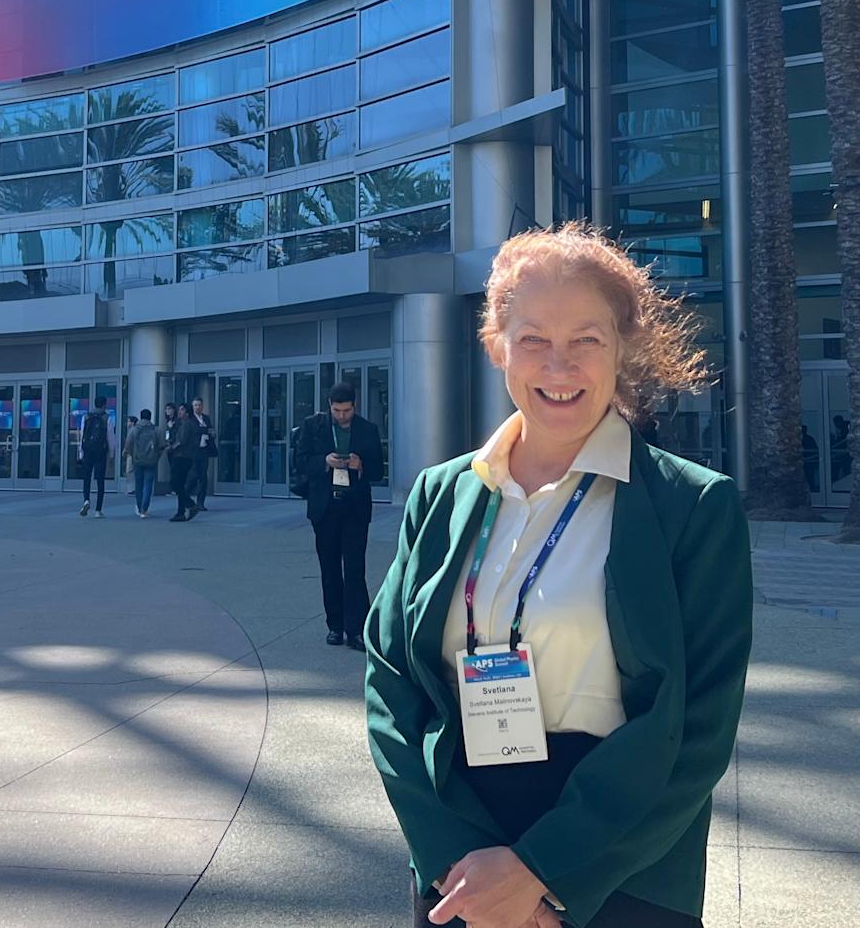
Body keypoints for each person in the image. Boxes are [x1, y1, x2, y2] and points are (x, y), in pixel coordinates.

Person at [365, 224, 749, 928]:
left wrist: (546, 873)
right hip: (464, 851)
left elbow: (700, 727)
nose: (560, 366)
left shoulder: (692, 506)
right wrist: (454, 854)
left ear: (622, 348)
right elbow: (391, 682)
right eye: (534, 339)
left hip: (619, 860)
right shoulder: (442, 494)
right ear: (496, 346)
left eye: (587, 340)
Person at [293, 381, 382, 648]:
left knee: (355, 570)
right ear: (329, 407)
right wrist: (325, 461)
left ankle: (356, 629)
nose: (342, 415)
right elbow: (300, 461)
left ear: (354, 406)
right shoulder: (313, 426)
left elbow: (378, 471)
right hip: (325, 507)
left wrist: (361, 464)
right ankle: (335, 625)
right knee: (329, 568)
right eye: (337, 410)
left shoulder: (367, 429)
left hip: (354, 508)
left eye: (346, 410)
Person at [125, 408, 163, 518]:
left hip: (138, 460)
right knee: (148, 485)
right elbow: (161, 446)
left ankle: (139, 506)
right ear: (150, 417)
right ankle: (144, 509)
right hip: (151, 461)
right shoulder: (156, 430)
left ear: (141, 417)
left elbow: (128, 445)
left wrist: (133, 455)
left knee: (139, 484)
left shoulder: (134, 429)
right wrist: (156, 457)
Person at [77, 403, 113, 518]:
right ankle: (98, 510)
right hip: (100, 452)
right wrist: (111, 453)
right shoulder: (107, 418)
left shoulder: (86, 417)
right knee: (100, 480)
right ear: (104, 405)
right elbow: (110, 437)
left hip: (88, 451)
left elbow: (82, 435)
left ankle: (86, 500)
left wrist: (81, 453)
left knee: (87, 478)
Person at [165, 403, 197, 522]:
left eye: (182, 410)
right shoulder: (182, 424)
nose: (179, 412)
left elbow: (182, 441)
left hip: (181, 457)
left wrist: (171, 448)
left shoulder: (187, 424)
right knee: (180, 485)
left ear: (187, 413)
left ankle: (189, 504)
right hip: (183, 457)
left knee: (175, 484)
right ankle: (181, 511)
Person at [188, 397, 217, 511]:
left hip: (204, 451)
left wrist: (212, 434)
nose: (197, 407)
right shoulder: (190, 419)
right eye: (195, 405)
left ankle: (200, 502)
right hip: (194, 452)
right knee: (193, 476)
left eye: (199, 405)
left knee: (203, 478)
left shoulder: (206, 418)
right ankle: (187, 498)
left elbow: (210, 431)